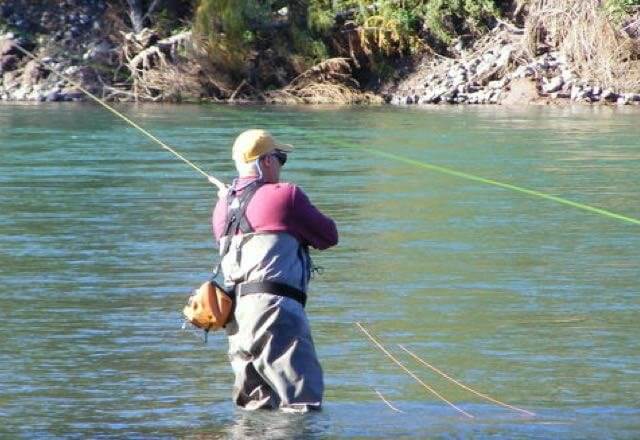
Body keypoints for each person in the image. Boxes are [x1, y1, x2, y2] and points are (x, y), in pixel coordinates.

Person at [212, 129, 338, 412]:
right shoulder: (286, 196)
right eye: (280, 158)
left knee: (255, 409)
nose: (281, 165)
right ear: (266, 161)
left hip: (236, 320)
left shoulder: (221, 208)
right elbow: (329, 236)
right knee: (300, 406)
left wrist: (228, 200)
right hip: (275, 312)